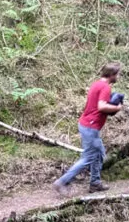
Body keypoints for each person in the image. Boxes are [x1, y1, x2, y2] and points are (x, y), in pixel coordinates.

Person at [53, 62, 124, 195]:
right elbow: (101, 107)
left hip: (87, 125)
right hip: (90, 127)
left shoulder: (97, 84)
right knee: (88, 157)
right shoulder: (105, 87)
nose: (118, 77)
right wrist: (117, 108)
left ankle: (95, 183)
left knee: (99, 153)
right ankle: (62, 182)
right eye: (118, 74)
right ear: (112, 74)